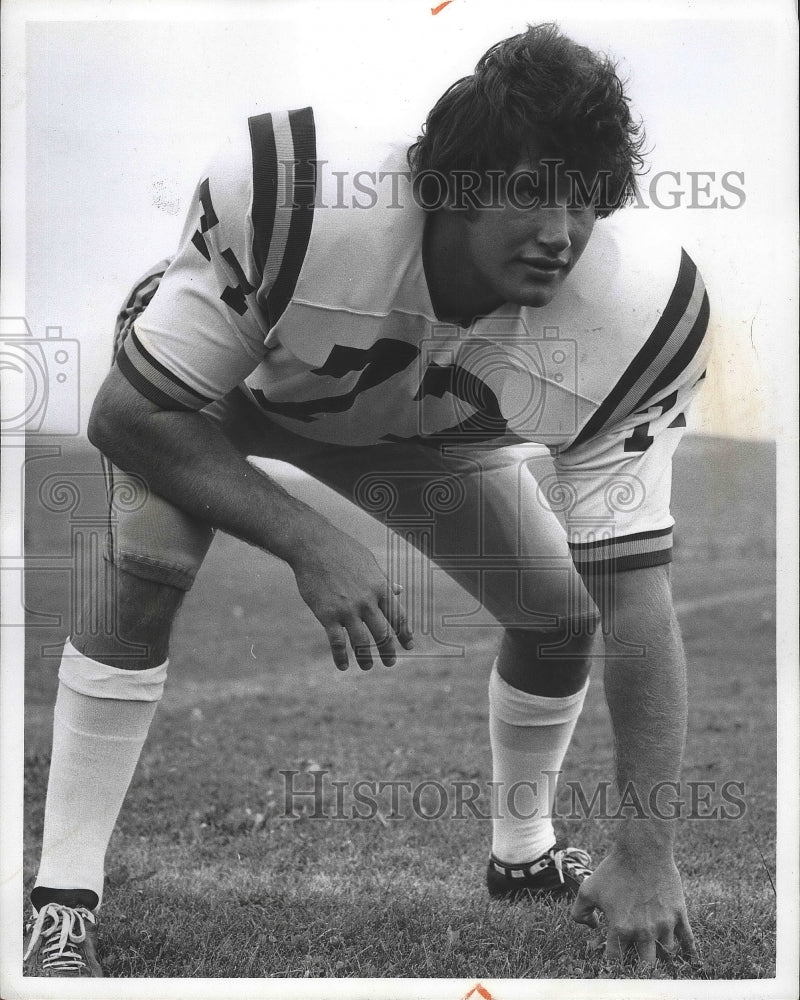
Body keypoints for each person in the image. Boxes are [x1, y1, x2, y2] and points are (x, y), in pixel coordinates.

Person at [24, 22, 709, 977]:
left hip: (414, 430)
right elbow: (130, 414)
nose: (561, 233)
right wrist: (311, 541)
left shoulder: (630, 316)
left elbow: (636, 601)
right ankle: (62, 898)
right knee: (146, 567)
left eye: (585, 199)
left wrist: (652, 848)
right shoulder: (306, 200)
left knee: (560, 618)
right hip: (224, 394)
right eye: (527, 191)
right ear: (451, 184)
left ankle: (522, 856)